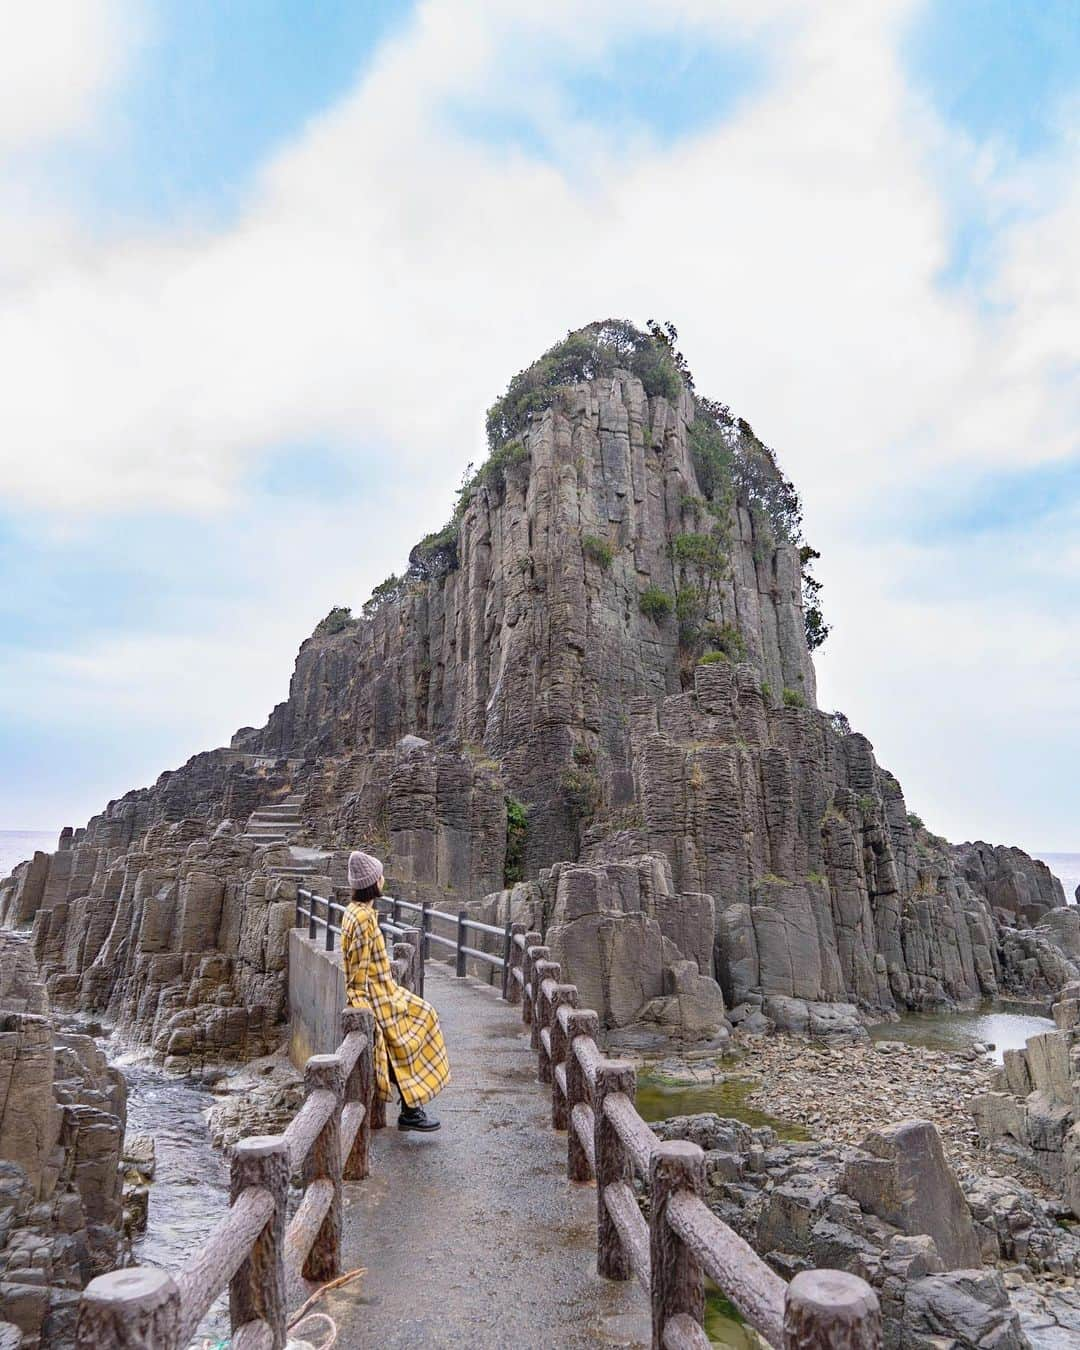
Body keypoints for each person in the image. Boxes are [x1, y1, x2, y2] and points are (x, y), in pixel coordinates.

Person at [340, 849, 449, 1132]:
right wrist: (359, 1000)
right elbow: (358, 965)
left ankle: (411, 1105)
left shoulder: (354, 912)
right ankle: (412, 1108)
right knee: (418, 1023)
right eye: (380, 876)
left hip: (381, 988)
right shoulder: (364, 918)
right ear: (373, 883)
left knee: (415, 1023)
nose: (383, 880)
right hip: (377, 994)